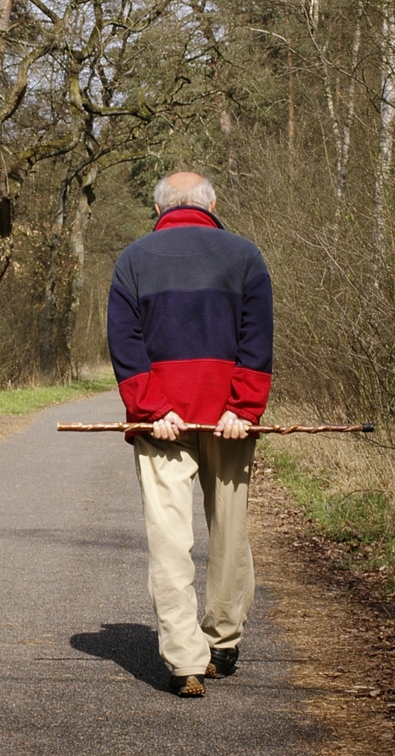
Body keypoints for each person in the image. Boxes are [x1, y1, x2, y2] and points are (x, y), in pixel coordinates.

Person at [107, 171, 273, 696]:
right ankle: (222, 642)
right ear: (212, 204)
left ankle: (185, 661)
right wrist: (242, 409)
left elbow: (124, 343)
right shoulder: (245, 255)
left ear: (157, 209)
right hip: (229, 423)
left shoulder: (133, 259)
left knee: (169, 541)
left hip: (163, 425)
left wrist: (151, 407)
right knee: (229, 532)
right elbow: (257, 338)